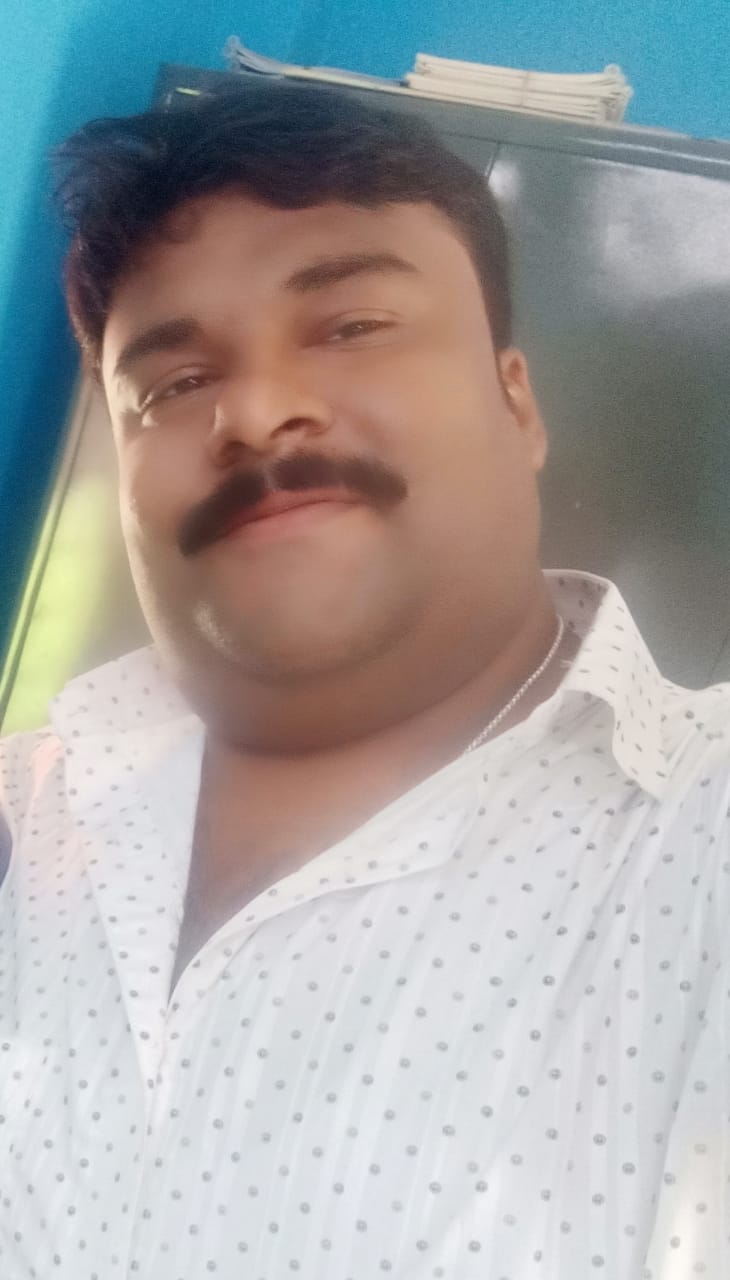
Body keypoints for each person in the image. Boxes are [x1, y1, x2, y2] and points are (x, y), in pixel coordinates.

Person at [0, 81, 728, 1280]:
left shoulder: (692, 846)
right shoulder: (30, 817)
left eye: (349, 324)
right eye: (173, 385)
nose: (255, 411)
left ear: (515, 402)